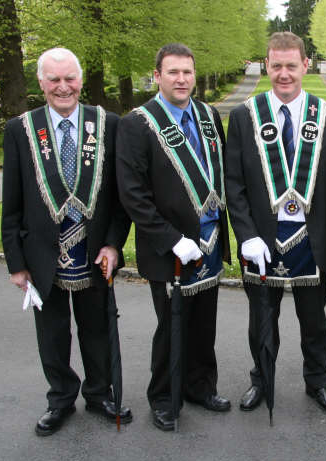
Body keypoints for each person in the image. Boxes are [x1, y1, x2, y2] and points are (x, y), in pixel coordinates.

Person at [1, 48, 132, 436]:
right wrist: (15, 262)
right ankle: (60, 398)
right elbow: (12, 202)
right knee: (53, 332)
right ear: (41, 83)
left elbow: (121, 197)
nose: (63, 87)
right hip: (43, 254)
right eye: (54, 80)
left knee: (97, 328)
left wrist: (113, 243)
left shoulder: (107, 123)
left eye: (70, 78)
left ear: (80, 78)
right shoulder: (20, 129)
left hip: (94, 252)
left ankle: (98, 393)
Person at [225, 32, 326, 414]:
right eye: (276, 65)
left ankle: (317, 382)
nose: (283, 74)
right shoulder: (245, 116)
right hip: (262, 240)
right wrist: (245, 235)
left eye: (291, 65)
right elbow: (234, 183)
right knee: (262, 320)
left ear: (304, 65)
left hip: (313, 241)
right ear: (266, 65)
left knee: (314, 321)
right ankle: (261, 380)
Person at [116, 43, 231, 431]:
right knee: (171, 325)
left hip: (211, 239)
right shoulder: (136, 123)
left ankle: (200, 386)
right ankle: (164, 396)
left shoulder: (208, 115)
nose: (181, 79)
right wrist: (169, 238)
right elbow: (133, 194)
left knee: (204, 324)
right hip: (171, 248)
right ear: (157, 75)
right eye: (173, 72)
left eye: (187, 72)